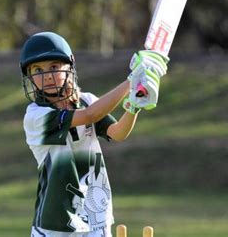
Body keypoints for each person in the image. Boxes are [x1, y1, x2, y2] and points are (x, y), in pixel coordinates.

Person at [19, 32, 168, 237]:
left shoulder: (87, 100)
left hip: (96, 214)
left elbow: (117, 134)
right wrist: (132, 80)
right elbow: (91, 115)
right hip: (56, 223)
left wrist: (134, 106)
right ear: (29, 76)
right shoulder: (36, 116)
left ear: (69, 67)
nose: (46, 75)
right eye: (37, 69)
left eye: (54, 67)